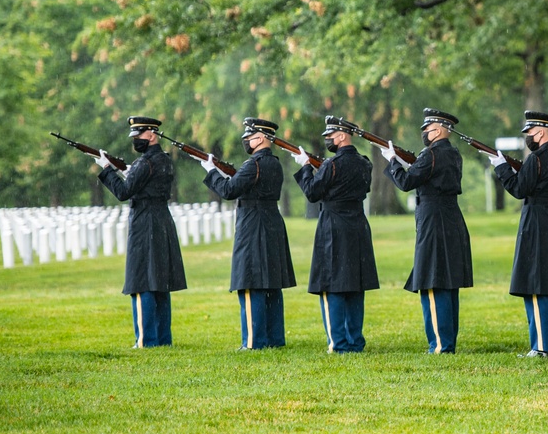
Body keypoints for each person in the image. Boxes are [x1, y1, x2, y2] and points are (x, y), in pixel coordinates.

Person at [483, 111, 548, 357]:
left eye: (530, 133)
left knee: (537, 283)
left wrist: (502, 168)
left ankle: (542, 346)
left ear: (540, 132)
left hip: (537, 222)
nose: (528, 137)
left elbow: (520, 189)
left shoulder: (536, 159)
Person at [381, 108, 473, 354]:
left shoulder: (432, 155)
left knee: (433, 281)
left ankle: (440, 345)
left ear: (441, 129)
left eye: (429, 129)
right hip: (450, 219)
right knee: (447, 282)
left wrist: (392, 161)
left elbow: (406, 182)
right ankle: (447, 341)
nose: (425, 133)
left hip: (434, 222)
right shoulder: (452, 154)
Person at [202, 117, 296, 350]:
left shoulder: (253, 165)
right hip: (272, 222)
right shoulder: (273, 163)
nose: (246, 140)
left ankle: (254, 341)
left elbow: (228, 190)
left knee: (251, 281)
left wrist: (212, 172)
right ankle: (274, 338)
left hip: (253, 225)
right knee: (271, 282)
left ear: (261, 138)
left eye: (249, 136)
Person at [95, 116, 187, 348]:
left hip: (144, 221)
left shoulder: (145, 163)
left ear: (152, 135)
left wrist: (107, 169)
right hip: (162, 219)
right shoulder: (164, 160)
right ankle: (163, 338)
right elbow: (145, 181)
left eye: (139, 135)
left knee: (142, 280)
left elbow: (124, 192)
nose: (136, 140)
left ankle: (146, 340)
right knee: (159, 281)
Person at [291, 115, 378, 353]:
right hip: (358, 225)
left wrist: (306, 168)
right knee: (354, 284)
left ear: (342, 136)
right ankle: (355, 341)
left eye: (330, 136)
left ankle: (338, 343)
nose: (328, 140)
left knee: (332, 284)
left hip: (333, 226)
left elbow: (312, 192)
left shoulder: (331, 165)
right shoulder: (364, 162)